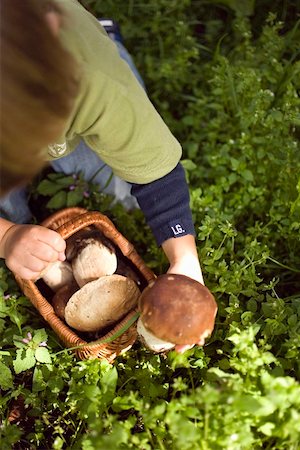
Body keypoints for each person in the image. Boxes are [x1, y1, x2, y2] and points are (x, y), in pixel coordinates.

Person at [0, 0, 204, 352]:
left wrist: (184, 259)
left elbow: (155, 172)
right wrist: (6, 236)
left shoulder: (88, 76)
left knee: (117, 196)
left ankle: (108, 42)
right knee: (12, 215)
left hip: (81, 96)